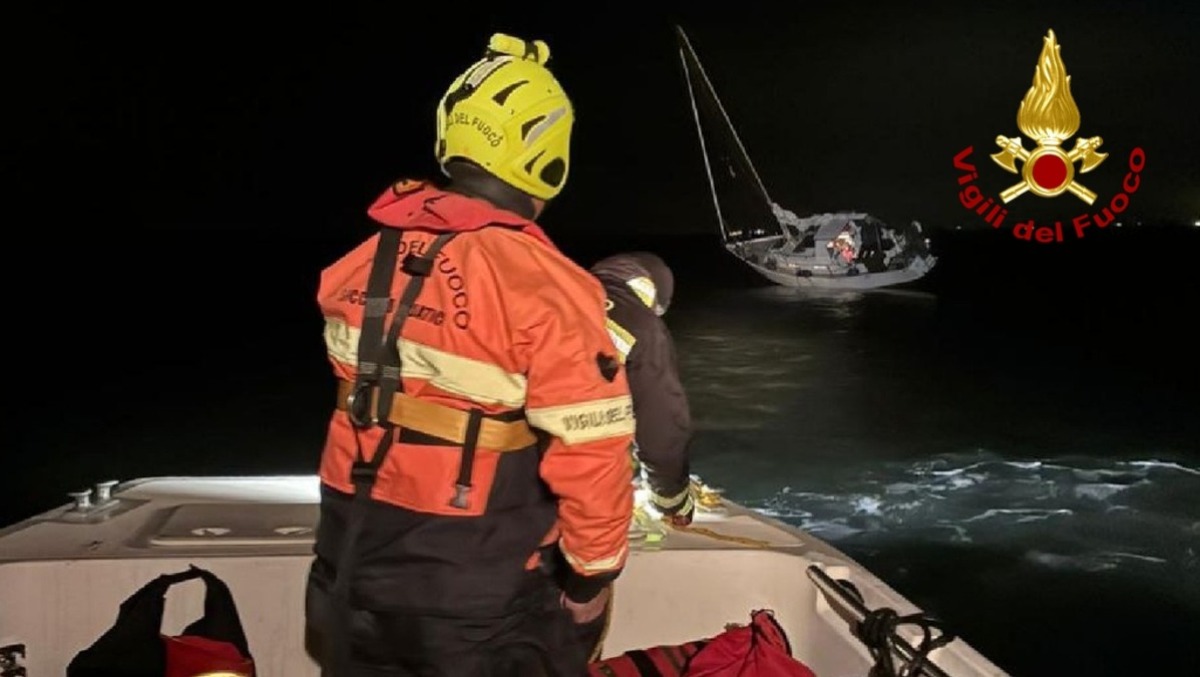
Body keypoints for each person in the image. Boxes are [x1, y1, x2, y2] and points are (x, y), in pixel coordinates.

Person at [304, 33, 636, 676]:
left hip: (348, 569)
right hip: (476, 600)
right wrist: (592, 581)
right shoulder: (546, 286)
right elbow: (594, 456)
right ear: (549, 155)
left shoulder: (359, 264)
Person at [590, 252, 695, 527]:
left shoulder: (563, 293)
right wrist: (671, 500)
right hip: (576, 477)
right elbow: (662, 424)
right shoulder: (643, 326)